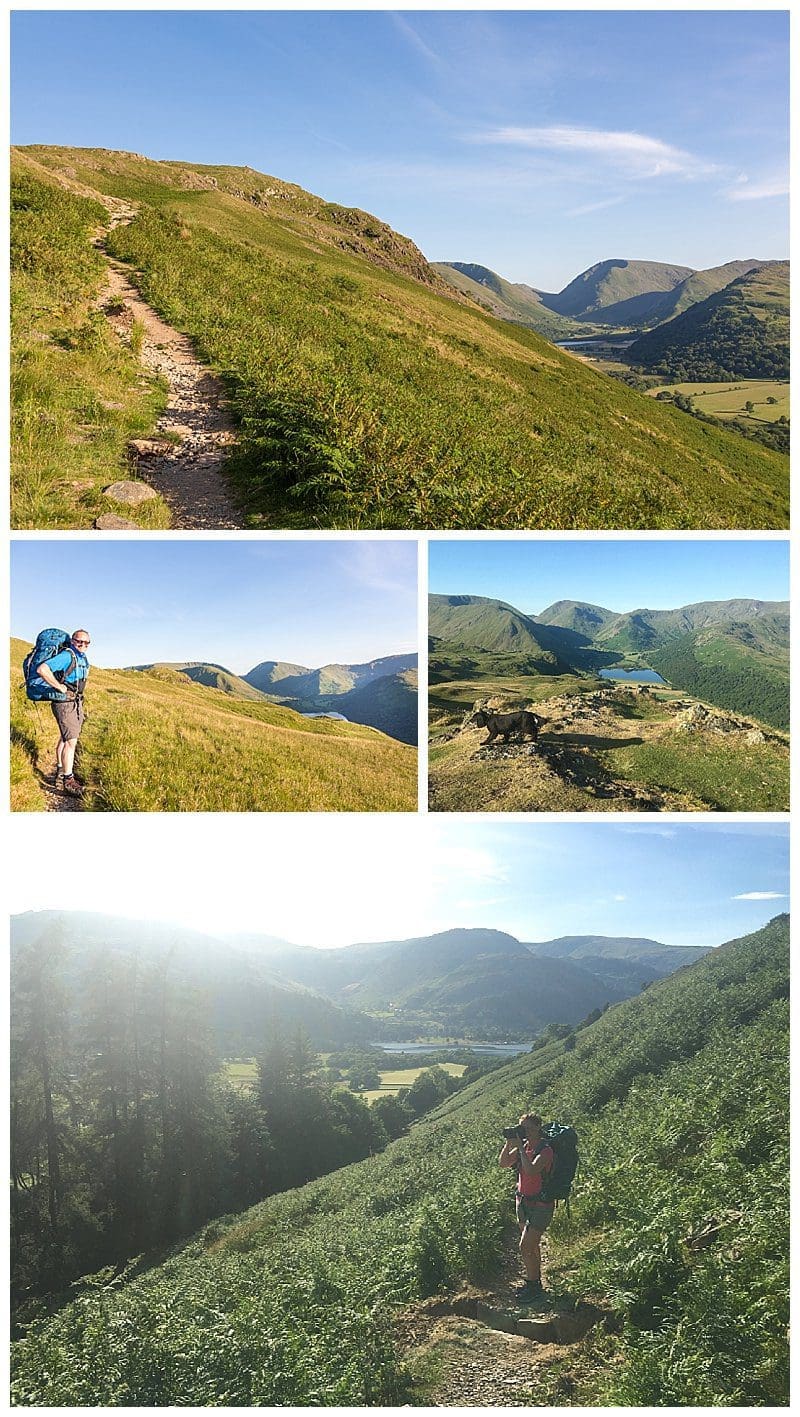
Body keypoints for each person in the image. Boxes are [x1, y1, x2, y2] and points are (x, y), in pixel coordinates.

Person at [499, 1112, 554, 1301]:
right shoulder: (525, 1146)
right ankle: (535, 1283)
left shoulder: (545, 1150)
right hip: (522, 1203)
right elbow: (503, 1163)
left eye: (530, 1128)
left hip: (541, 1206)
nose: (526, 1131)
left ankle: (533, 1287)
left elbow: (531, 1170)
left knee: (525, 1246)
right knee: (532, 1246)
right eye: (523, 1128)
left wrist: (521, 1149)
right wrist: (510, 1143)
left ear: (538, 1127)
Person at [35, 629, 91, 796]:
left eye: (86, 642)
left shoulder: (82, 657)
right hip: (64, 703)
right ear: (72, 641)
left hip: (75, 701)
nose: (82, 645)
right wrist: (59, 687)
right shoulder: (67, 655)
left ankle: (60, 770)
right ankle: (69, 780)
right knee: (71, 742)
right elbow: (42, 669)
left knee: (65, 737)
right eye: (78, 641)